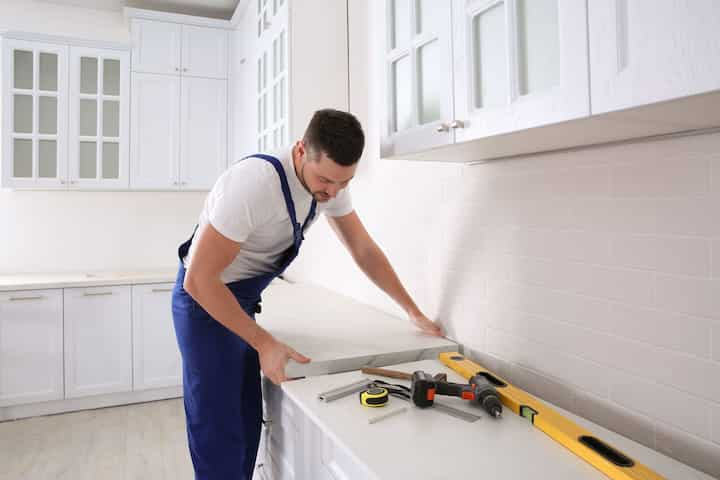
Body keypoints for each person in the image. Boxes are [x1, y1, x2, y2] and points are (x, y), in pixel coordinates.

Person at [171, 108, 442, 479]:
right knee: (218, 426)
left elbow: (363, 249)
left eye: (344, 184)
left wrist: (412, 310)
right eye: (326, 180)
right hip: (205, 303)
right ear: (301, 150)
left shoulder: (328, 186)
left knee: (247, 416)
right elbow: (199, 280)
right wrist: (265, 343)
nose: (332, 193)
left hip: (241, 301)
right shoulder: (253, 184)